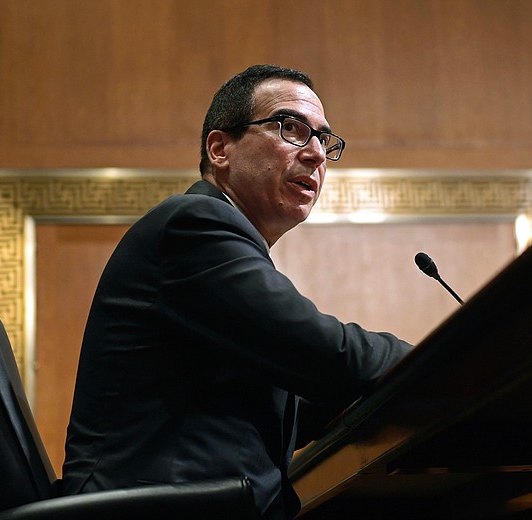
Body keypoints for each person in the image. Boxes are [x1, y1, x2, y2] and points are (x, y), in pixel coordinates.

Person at [61, 64, 413, 520]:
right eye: (292, 129)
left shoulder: (217, 241)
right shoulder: (195, 225)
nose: (317, 155)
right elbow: (322, 350)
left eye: (324, 141)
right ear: (220, 148)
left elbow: (286, 398)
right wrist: (441, 358)